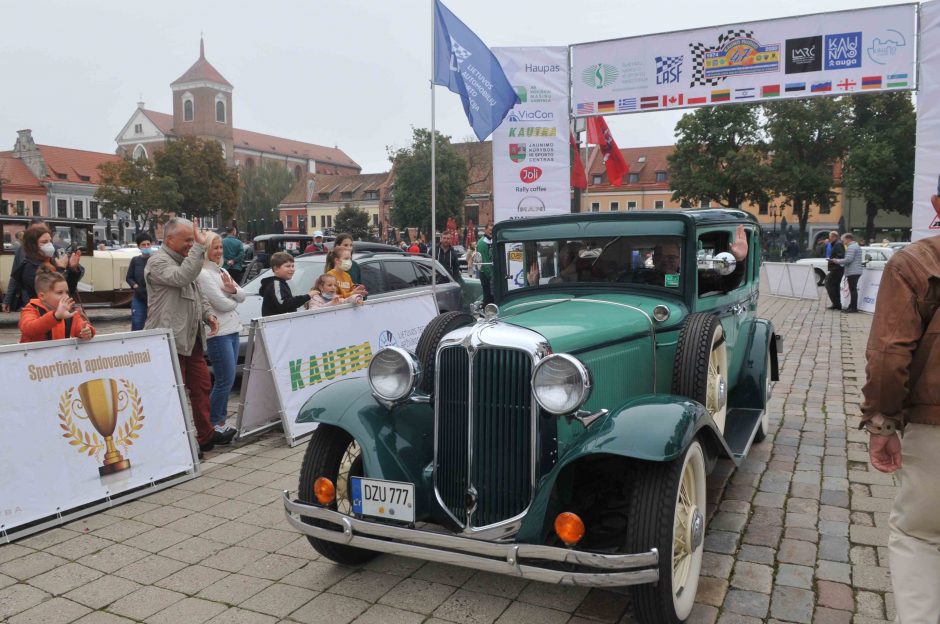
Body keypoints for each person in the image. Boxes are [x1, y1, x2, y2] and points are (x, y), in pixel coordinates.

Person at [861, 233, 940, 622]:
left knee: (919, 536)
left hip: (935, 424)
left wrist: (882, 425)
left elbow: (890, 352)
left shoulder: (918, 262)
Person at [144, 217, 220, 455]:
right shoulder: (157, 262)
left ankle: (205, 436)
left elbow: (197, 292)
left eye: (193, 239)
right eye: (187, 240)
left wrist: (208, 314)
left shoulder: (187, 261)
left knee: (201, 386)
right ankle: (179, 443)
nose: (191, 243)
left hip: (190, 338)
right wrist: (199, 247)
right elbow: (181, 278)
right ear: (169, 239)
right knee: (173, 393)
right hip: (169, 340)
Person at [197, 231, 244, 444]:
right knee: (224, 380)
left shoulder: (222, 270)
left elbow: (242, 294)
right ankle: (214, 421)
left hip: (232, 329)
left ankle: (221, 420)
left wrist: (231, 290)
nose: (218, 252)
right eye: (214, 248)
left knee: (229, 378)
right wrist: (232, 295)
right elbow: (222, 304)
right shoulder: (202, 273)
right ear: (205, 249)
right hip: (218, 333)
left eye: (220, 248)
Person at [6, 224, 83, 311]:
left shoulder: (52, 261)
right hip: (45, 314)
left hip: (62, 312)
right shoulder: (29, 267)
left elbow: (68, 290)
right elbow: (51, 292)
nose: (49, 245)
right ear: (33, 245)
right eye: (44, 242)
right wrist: (61, 269)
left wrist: (73, 269)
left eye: (50, 241)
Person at [19, 269, 95, 343]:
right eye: (60, 293)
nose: (66, 297)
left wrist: (87, 331)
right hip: (34, 355)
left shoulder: (70, 311)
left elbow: (80, 324)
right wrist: (55, 316)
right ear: (42, 296)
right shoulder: (31, 309)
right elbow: (28, 329)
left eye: (67, 292)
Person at [260, 251, 313, 316]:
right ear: (276, 269)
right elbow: (283, 304)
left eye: (293, 266)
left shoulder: (282, 283)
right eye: (288, 266)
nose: (292, 269)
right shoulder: (276, 284)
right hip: (277, 324)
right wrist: (307, 296)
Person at [126, 233, 154, 331]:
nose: (146, 246)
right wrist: (135, 285)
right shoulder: (135, 260)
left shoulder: (156, 260)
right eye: (143, 244)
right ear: (139, 246)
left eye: (148, 244)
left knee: (154, 327)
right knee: (137, 324)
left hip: (154, 299)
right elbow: (129, 278)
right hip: (139, 298)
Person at [829, 233, 862, 313]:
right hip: (855, 271)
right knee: (852, 289)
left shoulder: (852, 247)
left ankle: (853, 308)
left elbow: (848, 260)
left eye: (843, 239)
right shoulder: (855, 246)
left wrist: (837, 261)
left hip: (853, 271)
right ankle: (852, 306)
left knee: (853, 290)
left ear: (848, 239)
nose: (842, 241)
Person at [824, 231, 846, 310]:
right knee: (834, 286)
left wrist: (833, 260)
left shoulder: (838, 244)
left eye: (830, 237)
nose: (829, 238)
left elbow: (841, 256)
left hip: (836, 268)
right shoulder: (836, 244)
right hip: (837, 268)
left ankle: (836, 303)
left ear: (834, 237)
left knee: (828, 284)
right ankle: (836, 304)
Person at [477, 222, 495, 305]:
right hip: (486, 274)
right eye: (490, 230)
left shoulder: (493, 241)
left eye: (493, 230)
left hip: (492, 273)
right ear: (485, 230)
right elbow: (485, 261)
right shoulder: (482, 243)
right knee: (488, 296)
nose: (491, 232)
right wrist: (491, 275)